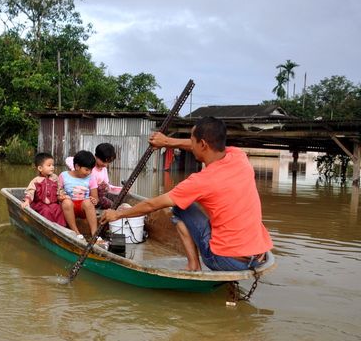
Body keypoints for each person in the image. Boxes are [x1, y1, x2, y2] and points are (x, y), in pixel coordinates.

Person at [99, 116, 273, 271]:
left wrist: (118, 214)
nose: (189, 143)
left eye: (192, 139)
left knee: (180, 208)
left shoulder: (200, 181)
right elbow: (201, 145)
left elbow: (153, 205)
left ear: (203, 144)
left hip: (225, 260)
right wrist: (166, 141)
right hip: (258, 256)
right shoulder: (239, 157)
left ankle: (193, 265)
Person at [58, 150, 101, 240]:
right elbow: (58, 192)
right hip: (69, 207)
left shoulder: (91, 178)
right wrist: (61, 196)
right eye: (86, 169)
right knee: (66, 202)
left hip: (83, 207)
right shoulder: (63, 176)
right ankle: (76, 232)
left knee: (88, 202)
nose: (89, 172)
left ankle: (94, 234)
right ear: (77, 166)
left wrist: (94, 200)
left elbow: (95, 197)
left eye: (90, 170)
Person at [65, 143, 121, 209]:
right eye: (103, 161)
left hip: (96, 197)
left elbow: (108, 186)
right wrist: (76, 169)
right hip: (82, 193)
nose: (105, 165)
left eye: (108, 162)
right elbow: (68, 160)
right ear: (96, 156)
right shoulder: (88, 164)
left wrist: (120, 189)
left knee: (105, 189)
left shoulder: (104, 170)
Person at [21, 153, 67, 227]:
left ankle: (62, 228)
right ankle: (48, 227)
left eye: (53, 165)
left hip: (53, 204)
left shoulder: (55, 178)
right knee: (46, 211)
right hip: (40, 204)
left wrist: (61, 195)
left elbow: (59, 189)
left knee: (58, 209)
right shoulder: (36, 181)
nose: (52, 167)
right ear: (40, 168)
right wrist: (27, 201)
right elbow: (30, 192)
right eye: (49, 165)